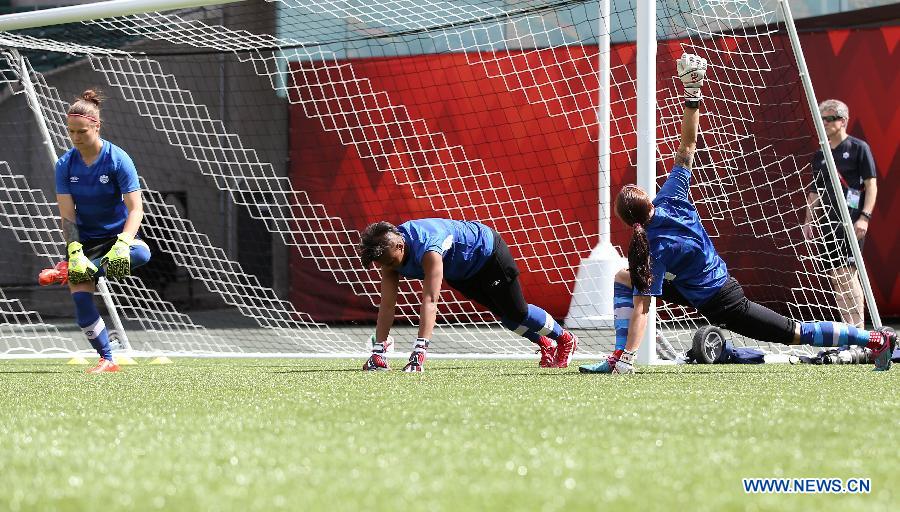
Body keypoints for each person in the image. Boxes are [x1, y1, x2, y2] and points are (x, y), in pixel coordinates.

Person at [578, 54, 895, 375]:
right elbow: (687, 147)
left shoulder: (653, 246)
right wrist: (692, 95)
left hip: (723, 301)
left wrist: (631, 354)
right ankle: (619, 356)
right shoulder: (670, 197)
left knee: (794, 332)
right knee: (624, 277)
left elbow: (643, 309)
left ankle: (873, 338)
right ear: (647, 200)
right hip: (695, 289)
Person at [357, 219, 578, 371]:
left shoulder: (429, 248)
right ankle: (546, 344)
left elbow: (430, 300)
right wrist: (379, 351)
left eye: (390, 262)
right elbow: (387, 305)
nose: (389, 268)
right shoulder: (389, 256)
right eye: (384, 264)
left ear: (399, 244)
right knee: (503, 314)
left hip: (488, 255)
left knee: (517, 312)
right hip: (461, 272)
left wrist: (419, 352)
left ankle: (565, 339)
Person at [55, 89, 151, 374]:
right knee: (82, 306)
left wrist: (123, 244)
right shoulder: (64, 164)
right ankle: (107, 359)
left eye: (81, 131)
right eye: (71, 132)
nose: (75, 138)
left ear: (96, 126)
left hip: (116, 239)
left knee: (142, 252)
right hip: (84, 242)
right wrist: (74, 251)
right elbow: (67, 214)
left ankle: (77, 270)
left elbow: (135, 209)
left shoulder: (118, 159)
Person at [801, 99, 878, 327]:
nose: (823, 123)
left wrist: (865, 217)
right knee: (835, 277)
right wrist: (809, 221)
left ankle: (859, 329)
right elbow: (814, 192)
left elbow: (871, 185)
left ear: (842, 121)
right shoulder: (821, 154)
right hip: (827, 222)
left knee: (848, 274)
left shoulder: (858, 148)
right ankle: (848, 330)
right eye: (821, 118)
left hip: (851, 222)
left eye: (828, 118)